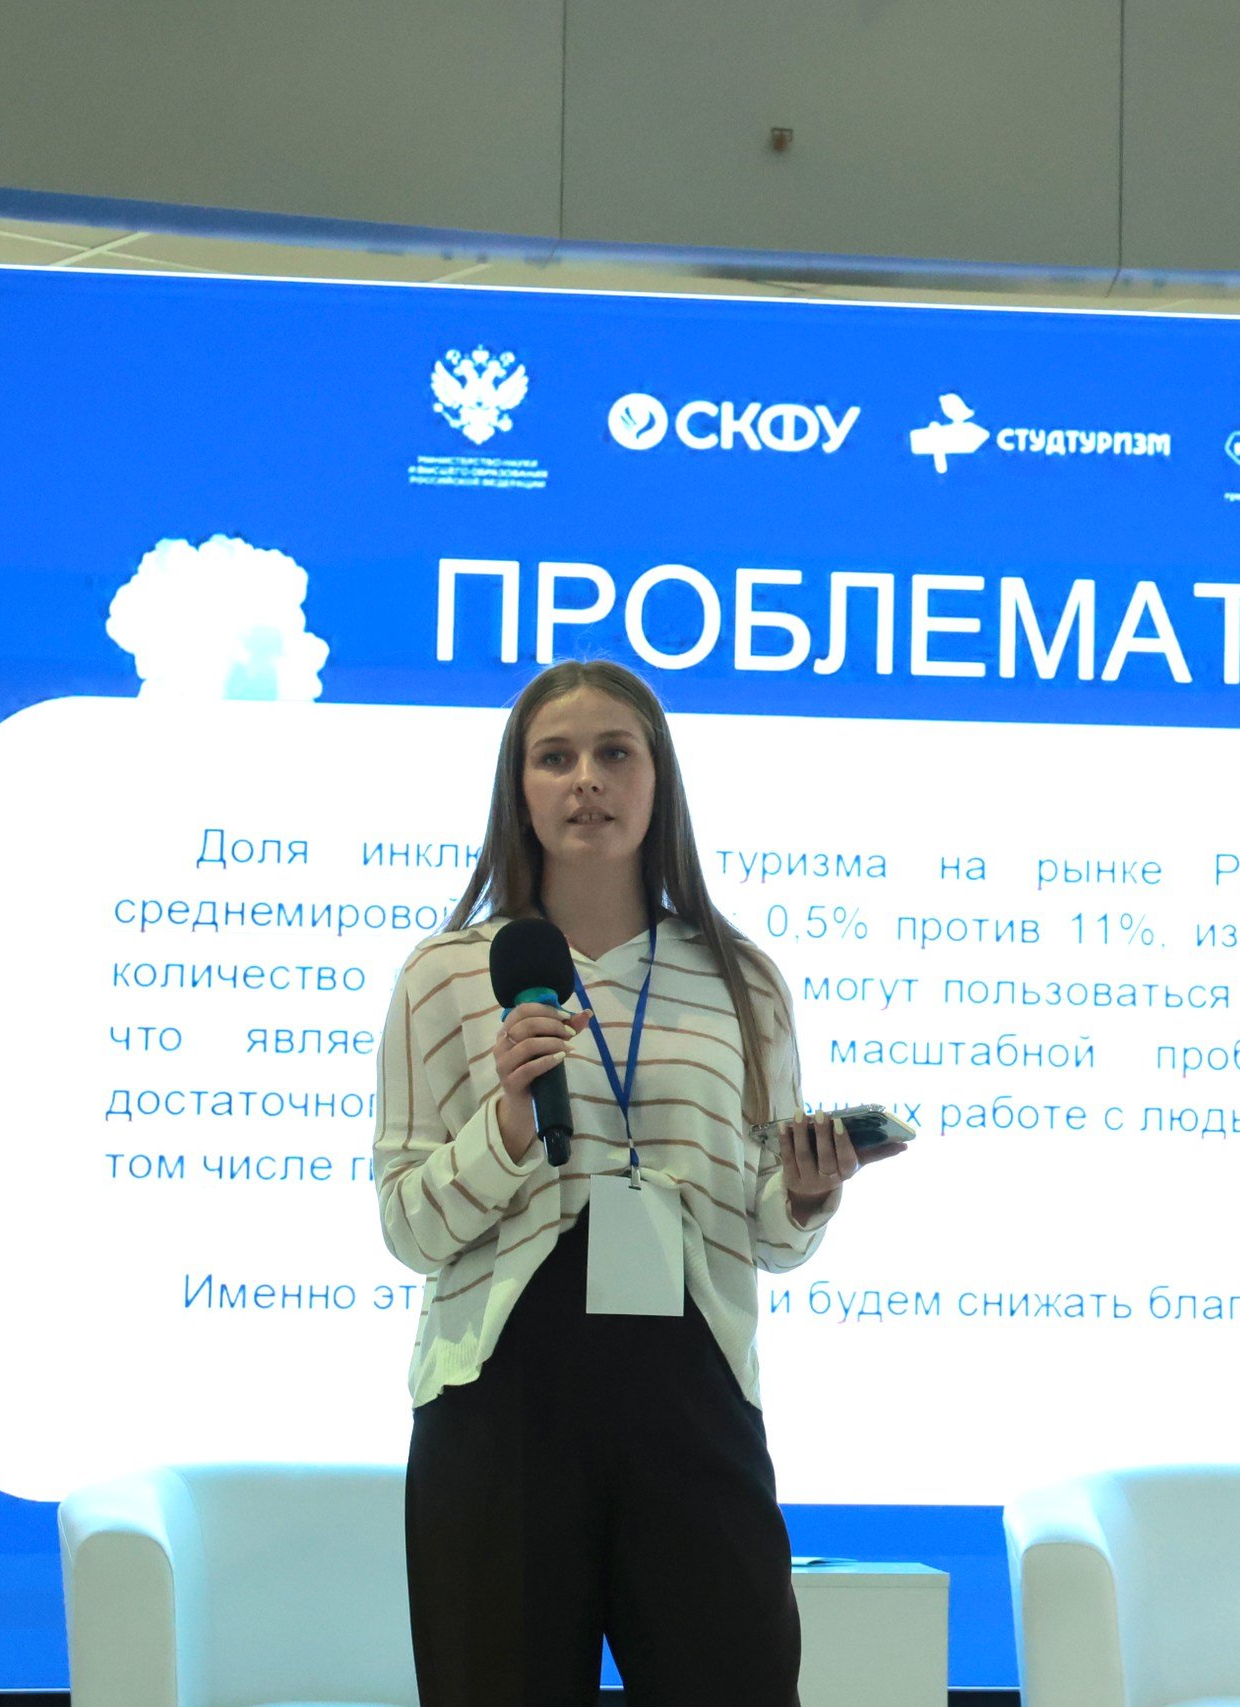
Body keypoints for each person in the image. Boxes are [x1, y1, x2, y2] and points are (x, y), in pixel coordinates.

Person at [373, 659, 905, 1706]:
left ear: (658, 781)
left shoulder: (740, 977)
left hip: (691, 1390)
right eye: (554, 758)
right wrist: (509, 1123)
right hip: (500, 1402)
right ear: (518, 790)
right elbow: (408, 1226)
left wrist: (805, 1196)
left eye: (615, 753)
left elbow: (765, 1230)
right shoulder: (446, 974)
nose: (587, 780)